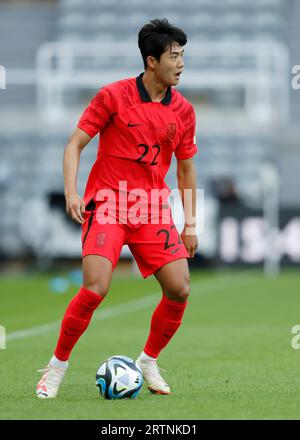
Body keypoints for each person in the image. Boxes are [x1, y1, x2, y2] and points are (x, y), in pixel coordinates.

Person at [36, 18, 198, 399]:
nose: (181, 63)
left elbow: (186, 167)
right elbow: (74, 144)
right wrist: (72, 192)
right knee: (96, 287)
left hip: (151, 208)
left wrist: (190, 222)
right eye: (174, 56)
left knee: (180, 288)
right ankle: (55, 368)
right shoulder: (113, 96)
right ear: (151, 61)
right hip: (108, 203)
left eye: (183, 56)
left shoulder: (184, 111)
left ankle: (148, 361)